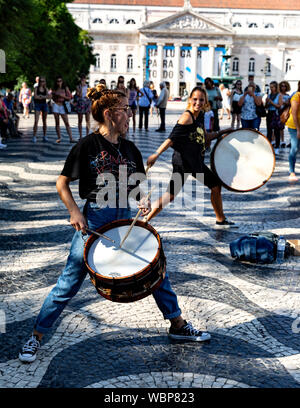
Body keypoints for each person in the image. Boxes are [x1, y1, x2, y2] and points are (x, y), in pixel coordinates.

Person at [18, 84, 211, 363]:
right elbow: (62, 182)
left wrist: (142, 197)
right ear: (110, 114)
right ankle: (35, 337)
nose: (130, 114)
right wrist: (75, 212)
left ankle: (178, 325)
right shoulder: (87, 145)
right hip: (95, 218)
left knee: (155, 269)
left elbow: (135, 185)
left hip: (123, 218)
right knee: (68, 283)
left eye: (130, 108)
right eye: (125, 109)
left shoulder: (131, 149)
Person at [146, 86, 237, 228]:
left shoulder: (200, 116)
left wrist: (223, 132)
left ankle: (220, 219)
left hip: (195, 162)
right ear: (190, 100)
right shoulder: (186, 117)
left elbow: (206, 137)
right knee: (170, 195)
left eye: (201, 99)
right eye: (195, 99)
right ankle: (144, 222)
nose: (198, 102)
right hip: (183, 162)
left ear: (205, 101)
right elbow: (171, 139)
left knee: (215, 186)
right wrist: (156, 154)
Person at [51, 76, 75, 144]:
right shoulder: (54, 89)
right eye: (58, 81)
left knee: (66, 123)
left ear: (62, 81)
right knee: (57, 123)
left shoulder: (65, 88)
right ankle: (59, 138)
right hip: (56, 105)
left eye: (60, 81)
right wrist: (54, 96)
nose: (59, 83)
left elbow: (70, 97)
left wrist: (62, 96)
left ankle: (71, 138)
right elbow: (52, 97)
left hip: (62, 106)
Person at [285, 82, 300, 182]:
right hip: (294, 126)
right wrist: (298, 130)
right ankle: (292, 172)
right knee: (294, 148)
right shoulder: (296, 96)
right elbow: (294, 114)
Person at [265, 81, 283, 155]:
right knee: (269, 131)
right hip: (269, 113)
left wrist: (271, 102)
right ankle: (269, 146)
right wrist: (266, 102)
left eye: (272, 87)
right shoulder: (269, 95)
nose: (271, 88)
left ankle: (277, 147)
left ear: (276, 87)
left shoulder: (279, 95)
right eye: (270, 87)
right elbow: (266, 107)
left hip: (275, 114)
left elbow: (279, 106)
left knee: (276, 131)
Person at [32, 77, 51, 143]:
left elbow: (49, 96)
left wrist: (41, 96)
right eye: (41, 81)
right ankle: (34, 136)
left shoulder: (46, 88)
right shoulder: (36, 88)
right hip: (37, 105)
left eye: (43, 81)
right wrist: (43, 96)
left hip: (44, 105)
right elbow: (35, 96)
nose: (42, 82)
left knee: (44, 121)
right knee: (36, 121)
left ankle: (44, 136)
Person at [74, 74, 91, 140]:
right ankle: (80, 136)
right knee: (80, 120)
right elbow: (80, 95)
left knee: (88, 120)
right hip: (80, 103)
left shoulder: (88, 86)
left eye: (84, 78)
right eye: (82, 79)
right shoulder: (78, 86)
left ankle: (87, 135)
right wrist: (81, 87)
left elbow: (90, 95)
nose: (83, 80)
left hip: (87, 103)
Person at [278, 80, 291, 149]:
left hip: (283, 112)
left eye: (285, 86)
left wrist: (284, 102)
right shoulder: (278, 94)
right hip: (277, 111)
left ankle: (282, 141)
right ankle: (274, 140)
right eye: (282, 86)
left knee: (281, 127)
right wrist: (283, 102)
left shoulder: (287, 95)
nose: (283, 87)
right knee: (276, 127)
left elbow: (289, 103)